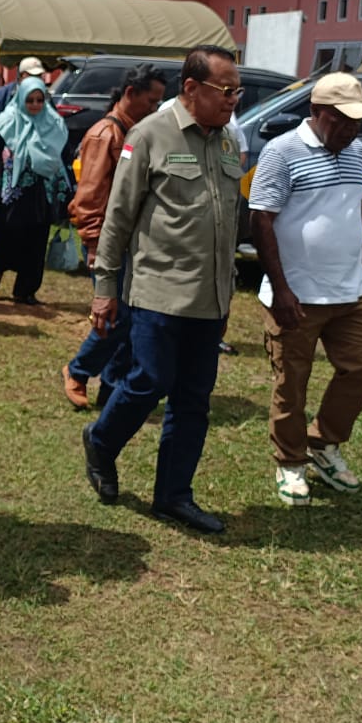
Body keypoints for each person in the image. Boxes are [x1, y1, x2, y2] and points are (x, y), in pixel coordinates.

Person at [82, 44, 244, 535]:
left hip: (210, 296)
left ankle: (173, 495)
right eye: (225, 90)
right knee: (149, 380)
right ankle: (101, 442)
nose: (233, 100)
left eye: (237, 91)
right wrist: (105, 286)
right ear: (191, 88)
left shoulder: (228, 143)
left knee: (194, 398)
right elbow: (120, 215)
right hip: (158, 291)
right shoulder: (149, 134)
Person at [250, 73, 362, 507]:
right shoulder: (282, 151)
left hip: (350, 290)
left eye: (358, 121)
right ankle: (290, 462)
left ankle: (323, 443)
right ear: (317, 112)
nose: (353, 130)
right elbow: (262, 220)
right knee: (292, 383)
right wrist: (281, 288)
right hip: (297, 294)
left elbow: (356, 203)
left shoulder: (356, 150)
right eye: (344, 120)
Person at [61, 63, 167, 409]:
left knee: (130, 319)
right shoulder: (105, 134)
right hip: (108, 243)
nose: (155, 109)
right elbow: (88, 198)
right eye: (151, 101)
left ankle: (112, 388)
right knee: (116, 317)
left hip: (132, 243)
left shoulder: (134, 132)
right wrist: (93, 245)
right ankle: (78, 370)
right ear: (130, 94)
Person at [0, 77, 72, 305]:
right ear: (20, 99)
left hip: (42, 195)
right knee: (7, 238)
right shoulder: (5, 123)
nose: (35, 105)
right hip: (12, 194)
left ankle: (26, 290)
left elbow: (65, 158)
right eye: (30, 100)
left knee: (37, 242)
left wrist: (67, 193)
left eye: (40, 100)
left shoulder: (54, 124)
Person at [0, 56, 46, 131]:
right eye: (30, 75)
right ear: (20, 77)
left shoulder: (46, 98)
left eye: (38, 76)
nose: (34, 80)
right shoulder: (1, 97)